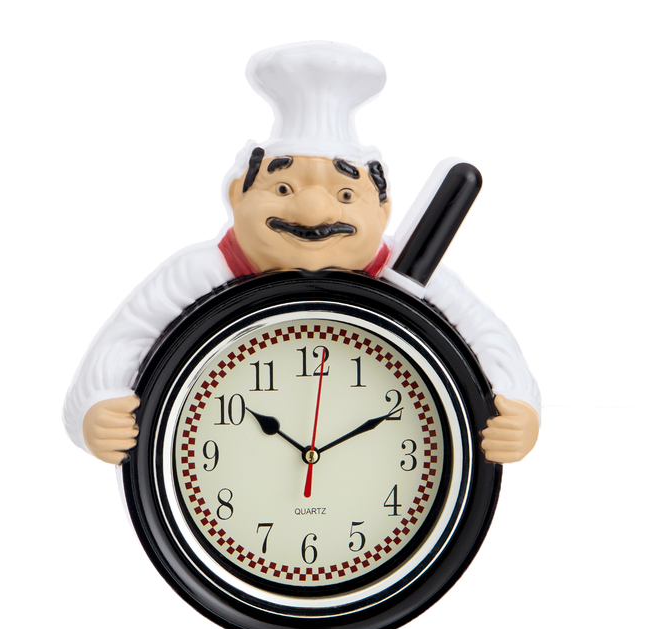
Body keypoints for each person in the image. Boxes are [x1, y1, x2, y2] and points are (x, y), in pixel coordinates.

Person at [63, 42, 540, 466]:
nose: (313, 210)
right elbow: (131, 333)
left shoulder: (411, 276)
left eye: (346, 195)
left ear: (383, 209)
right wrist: (96, 407)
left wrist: (518, 404)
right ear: (236, 194)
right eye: (283, 188)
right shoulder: (201, 272)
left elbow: (483, 332)